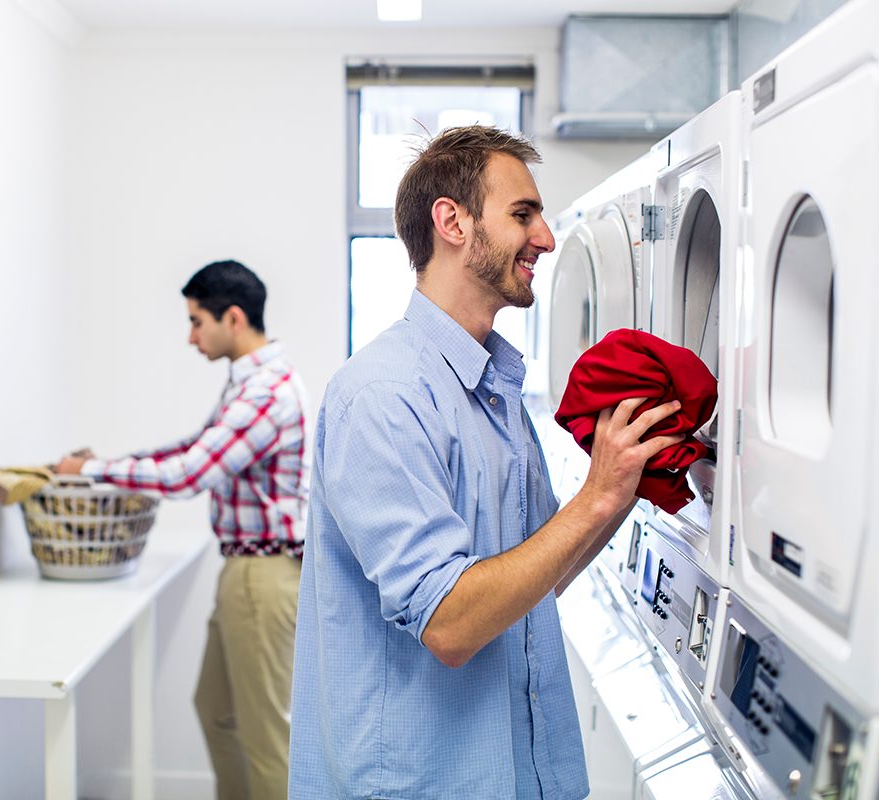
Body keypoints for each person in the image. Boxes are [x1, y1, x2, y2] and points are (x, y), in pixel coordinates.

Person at [288, 126, 685, 799]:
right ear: (452, 221)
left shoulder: (494, 391)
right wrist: (595, 498)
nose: (547, 239)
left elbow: (538, 574)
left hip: (509, 772)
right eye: (522, 215)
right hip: (420, 783)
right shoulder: (382, 396)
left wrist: (628, 483)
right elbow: (449, 622)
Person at [55, 259, 308, 800]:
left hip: (261, 578)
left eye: (197, 321)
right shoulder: (252, 384)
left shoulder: (266, 393)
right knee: (216, 712)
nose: (191, 336)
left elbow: (188, 474)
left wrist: (93, 472)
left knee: (266, 738)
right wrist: (107, 462)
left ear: (232, 318)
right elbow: (192, 449)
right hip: (247, 573)